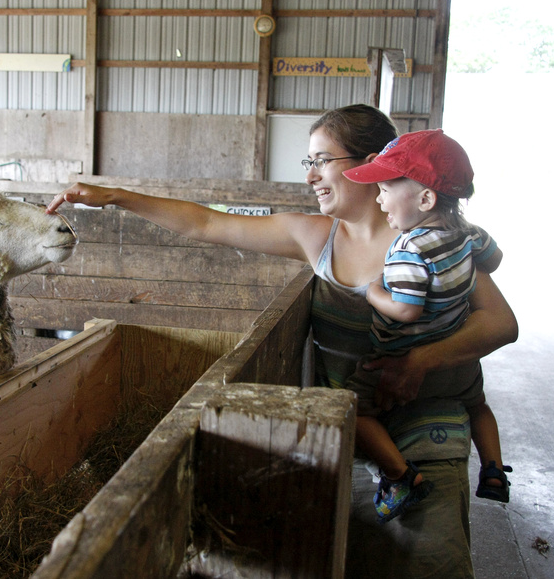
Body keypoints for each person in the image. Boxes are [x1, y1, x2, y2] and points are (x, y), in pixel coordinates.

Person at [46, 104, 518, 577]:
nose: (311, 175)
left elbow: (500, 323)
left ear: (371, 162)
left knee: (428, 566)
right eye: (307, 163)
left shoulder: (437, 240)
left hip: (429, 439)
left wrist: (418, 362)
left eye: (321, 160)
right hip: (349, 440)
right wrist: (115, 197)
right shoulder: (315, 235)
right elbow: (204, 224)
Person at [341, 129, 512, 525]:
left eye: (385, 189)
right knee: (479, 405)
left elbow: (406, 311)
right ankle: (493, 469)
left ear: (425, 199)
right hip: (457, 362)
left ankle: (401, 477)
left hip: (399, 360)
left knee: (352, 410)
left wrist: (373, 293)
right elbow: (496, 259)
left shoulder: (407, 248)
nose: (379, 198)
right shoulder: (469, 233)